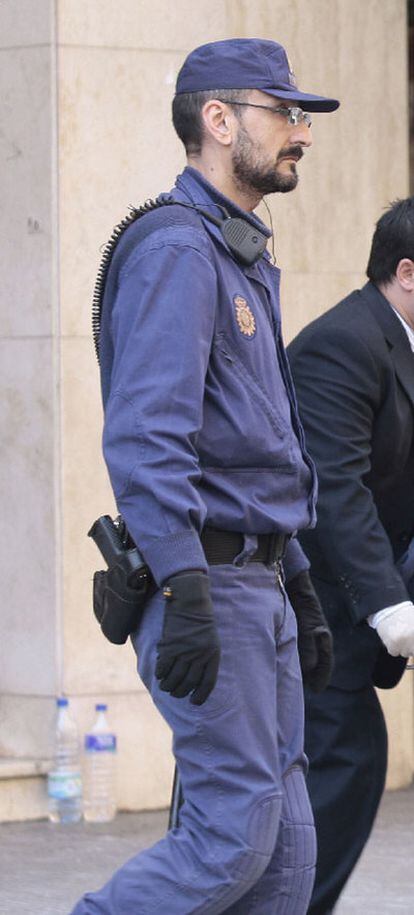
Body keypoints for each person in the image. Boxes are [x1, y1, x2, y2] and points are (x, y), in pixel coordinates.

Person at [71, 38, 338, 915]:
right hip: (207, 586)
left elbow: (260, 444)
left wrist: (296, 581)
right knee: (232, 836)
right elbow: (148, 438)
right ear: (219, 121)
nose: (300, 133)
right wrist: (184, 587)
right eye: (285, 114)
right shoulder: (179, 253)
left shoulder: (240, 254)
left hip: (255, 583)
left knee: (288, 847)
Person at [287, 197, 414, 915]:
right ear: (407, 272)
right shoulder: (345, 342)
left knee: (348, 764)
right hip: (315, 608)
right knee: (348, 759)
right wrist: (391, 607)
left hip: (354, 600)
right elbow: (334, 489)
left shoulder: (397, 341)